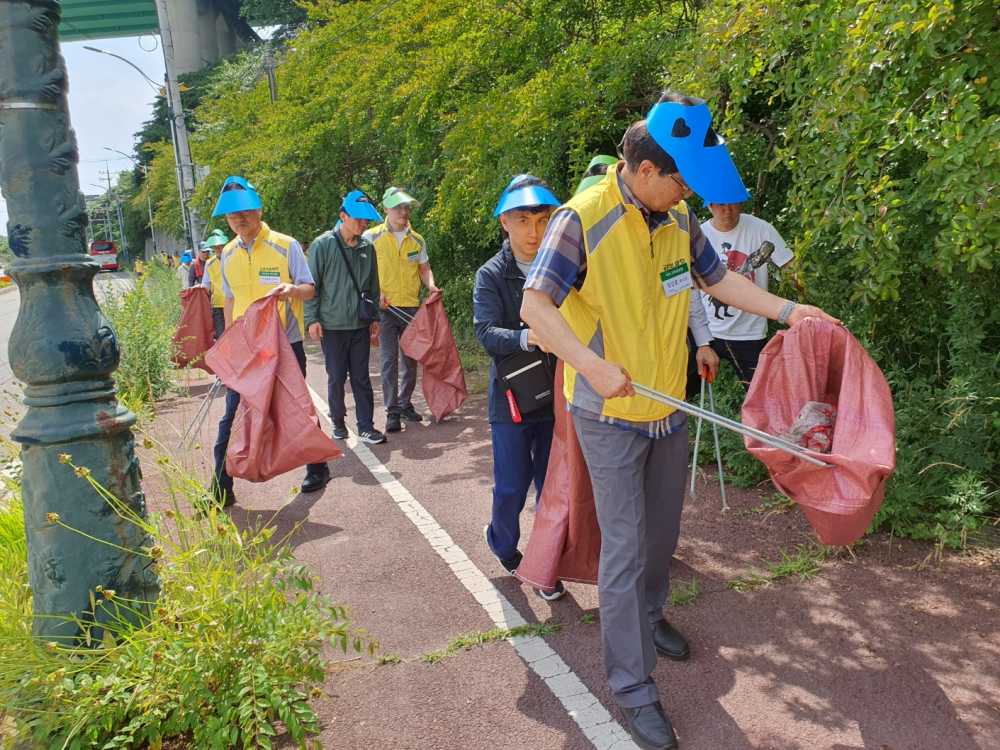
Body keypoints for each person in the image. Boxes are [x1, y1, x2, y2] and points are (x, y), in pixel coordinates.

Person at [521, 93, 838, 750]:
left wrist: (788, 311)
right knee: (628, 544)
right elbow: (535, 307)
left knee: (662, 536)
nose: (687, 190)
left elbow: (718, 283)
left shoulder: (678, 218)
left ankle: (647, 615)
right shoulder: (579, 221)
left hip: (668, 406)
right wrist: (589, 362)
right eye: (680, 178)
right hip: (608, 411)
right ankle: (634, 687)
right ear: (643, 170)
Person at [210, 175, 331, 506]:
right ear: (226, 218)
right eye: (233, 215)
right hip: (247, 352)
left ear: (259, 209)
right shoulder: (228, 253)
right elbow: (231, 301)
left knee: (295, 409)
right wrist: (228, 345)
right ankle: (220, 490)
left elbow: (309, 288)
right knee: (231, 417)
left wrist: (291, 290)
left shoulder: (285, 245)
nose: (240, 219)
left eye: (246, 211)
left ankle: (317, 466)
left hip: (284, 347)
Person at [474, 174, 565, 601]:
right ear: (504, 223)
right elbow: (486, 333)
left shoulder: (566, 267)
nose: (534, 232)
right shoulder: (491, 275)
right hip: (511, 397)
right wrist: (530, 336)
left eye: (543, 220)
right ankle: (504, 544)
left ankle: (545, 564)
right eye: (523, 220)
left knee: (552, 485)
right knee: (512, 483)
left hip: (559, 394)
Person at [577, 155, 719, 393]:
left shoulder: (672, 221)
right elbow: (541, 307)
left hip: (668, 390)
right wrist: (590, 366)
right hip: (608, 392)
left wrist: (702, 341)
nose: (685, 194)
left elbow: (685, 287)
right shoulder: (584, 222)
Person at [305, 191, 387, 446]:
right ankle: (338, 423)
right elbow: (311, 286)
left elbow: (373, 286)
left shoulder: (367, 247)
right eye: (359, 219)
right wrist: (312, 319)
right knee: (337, 376)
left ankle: (366, 426)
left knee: (362, 378)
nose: (364, 224)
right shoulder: (323, 245)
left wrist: (374, 318)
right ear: (343, 216)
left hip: (360, 324)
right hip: (332, 325)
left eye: (366, 220)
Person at [690, 201, 794, 388]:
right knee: (682, 387)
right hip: (708, 330)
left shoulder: (762, 229)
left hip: (750, 332)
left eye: (732, 204)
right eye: (720, 205)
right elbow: (690, 289)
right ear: (709, 205)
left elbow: (791, 268)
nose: (727, 210)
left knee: (762, 395)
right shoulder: (699, 235)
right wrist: (702, 341)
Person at [363, 187, 439, 433]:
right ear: (386, 209)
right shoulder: (370, 238)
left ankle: (406, 404)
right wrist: (375, 294)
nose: (403, 212)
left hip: (410, 307)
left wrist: (431, 286)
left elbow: (424, 268)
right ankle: (392, 411)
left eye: (406, 207)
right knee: (388, 361)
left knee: (411, 359)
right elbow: (361, 273)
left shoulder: (417, 239)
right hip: (384, 309)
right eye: (398, 208)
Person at [200, 229, 229, 339]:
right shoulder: (209, 263)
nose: (218, 249)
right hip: (218, 305)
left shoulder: (233, 258)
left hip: (235, 303)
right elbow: (205, 284)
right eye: (215, 247)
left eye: (220, 246)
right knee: (222, 336)